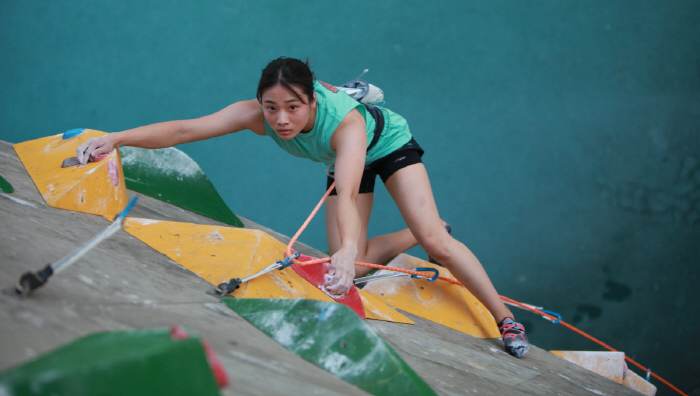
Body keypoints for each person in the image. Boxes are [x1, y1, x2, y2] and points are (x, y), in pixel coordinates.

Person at [76, 57, 530, 357]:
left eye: (293, 107)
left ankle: (507, 321)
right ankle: (403, 235)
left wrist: (348, 252)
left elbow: (348, 195)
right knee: (348, 270)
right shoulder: (259, 115)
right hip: (340, 158)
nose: (281, 120)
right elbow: (184, 130)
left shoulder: (344, 128)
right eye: (271, 107)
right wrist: (116, 138)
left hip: (380, 142)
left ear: (311, 101)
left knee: (435, 241)